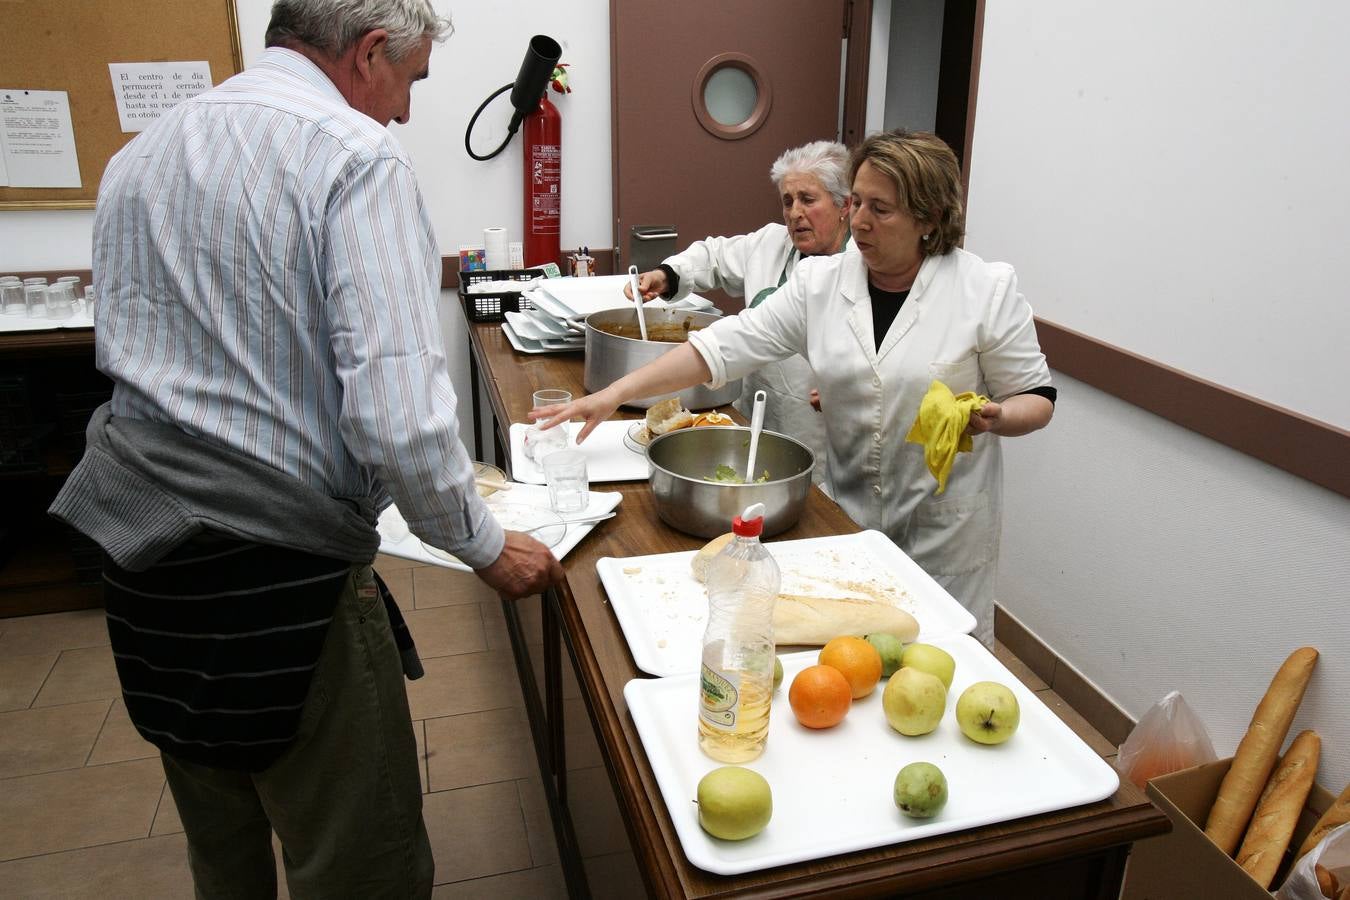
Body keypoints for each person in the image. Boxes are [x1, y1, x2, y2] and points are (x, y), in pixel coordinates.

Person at [49, 2, 563, 897]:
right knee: (361, 862)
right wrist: (483, 546)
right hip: (277, 580)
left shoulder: (139, 156)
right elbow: (400, 415)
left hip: (143, 557)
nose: (404, 111)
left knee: (223, 838)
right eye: (409, 82)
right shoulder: (355, 157)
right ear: (369, 53)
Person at [539, 130, 1055, 646]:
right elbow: (721, 347)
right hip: (848, 514)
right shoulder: (821, 284)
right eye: (857, 203)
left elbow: (1037, 397)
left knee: (946, 659)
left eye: (882, 209)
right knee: (853, 661)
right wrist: (613, 394)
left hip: (944, 529)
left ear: (930, 217)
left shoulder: (985, 290)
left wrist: (999, 417)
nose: (860, 222)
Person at [624, 140, 852, 491]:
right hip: (756, 415)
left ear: (844, 205)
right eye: (787, 201)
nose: (794, 213)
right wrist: (667, 275)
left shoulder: (864, 271)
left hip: (822, 435)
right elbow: (714, 256)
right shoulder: (770, 244)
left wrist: (853, 380)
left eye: (808, 199)